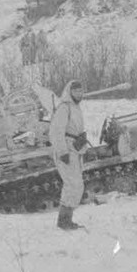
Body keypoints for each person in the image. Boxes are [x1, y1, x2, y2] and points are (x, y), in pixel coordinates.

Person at [48, 79, 88, 230]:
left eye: (80, 91)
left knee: (75, 185)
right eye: (75, 91)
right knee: (73, 185)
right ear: (69, 92)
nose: (79, 93)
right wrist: (62, 152)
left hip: (75, 149)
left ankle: (66, 219)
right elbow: (56, 131)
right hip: (67, 150)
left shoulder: (75, 107)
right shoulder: (64, 108)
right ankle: (64, 221)